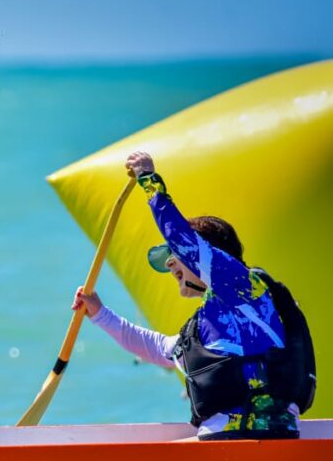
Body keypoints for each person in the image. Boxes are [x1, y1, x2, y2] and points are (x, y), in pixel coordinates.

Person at [72, 151, 315, 441]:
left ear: (210, 258)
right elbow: (153, 346)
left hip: (255, 440)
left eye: (175, 256)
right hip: (222, 442)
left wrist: (149, 180)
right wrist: (99, 313)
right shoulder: (201, 332)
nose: (171, 264)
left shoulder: (247, 290)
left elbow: (184, 241)